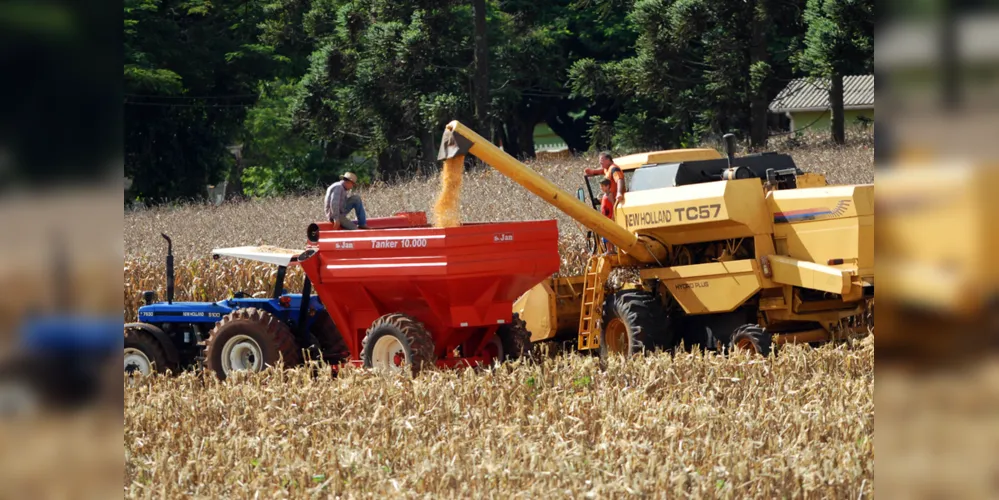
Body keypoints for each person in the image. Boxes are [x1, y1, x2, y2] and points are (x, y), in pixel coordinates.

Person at [598, 178, 617, 254]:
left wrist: (613, 216)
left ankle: (610, 250)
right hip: (605, 218)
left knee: (608, 234)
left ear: (608, 186)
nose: (601, 188)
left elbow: (613, 205)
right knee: (607, 235)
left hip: (609, 218)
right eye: (601, 186)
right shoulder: (604, 195)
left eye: (603, 186)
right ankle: (609, 250)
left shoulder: (610, 195)